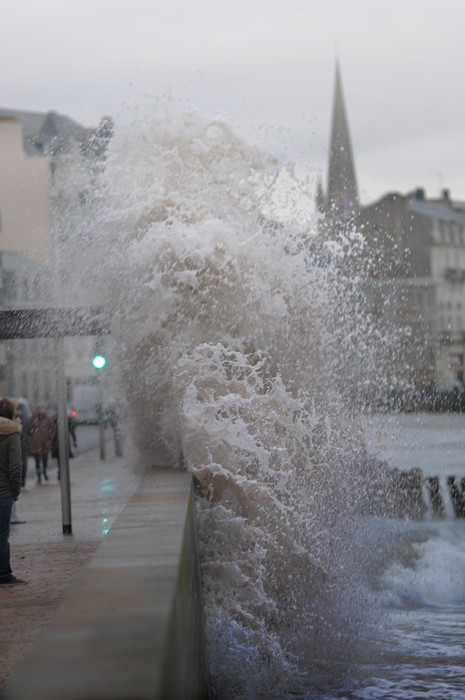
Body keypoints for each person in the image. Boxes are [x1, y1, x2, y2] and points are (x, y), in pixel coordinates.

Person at [0, 397, 27, 585]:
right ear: (11, 414)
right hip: (3, 493)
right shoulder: (12, 433)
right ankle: (3, 575)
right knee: (2, 537)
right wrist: (15, 492)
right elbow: (15, 468)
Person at [30, 406, 56, 484]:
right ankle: (39, 477)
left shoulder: (48, 419)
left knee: (45, 460)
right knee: (37, 462)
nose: (41, 410)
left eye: (43, 409)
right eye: (40, 409)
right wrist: (30, 438)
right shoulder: (33, 418)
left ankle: (44, 471)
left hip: (45, 443)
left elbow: (53, 429)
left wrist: (49, 438)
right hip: (35, 443)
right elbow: (29, 428)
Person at [15, 406, 32, 487]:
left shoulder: (25, 420)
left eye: (19, 410)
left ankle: (23, 479)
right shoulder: (12, 421)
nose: (18, 412)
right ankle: (18, 481)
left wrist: (27, 440)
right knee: (15, 465)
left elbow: (30, 432)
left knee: (24, 464)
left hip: (24, 446)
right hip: (15, 447)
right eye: (17, 410)